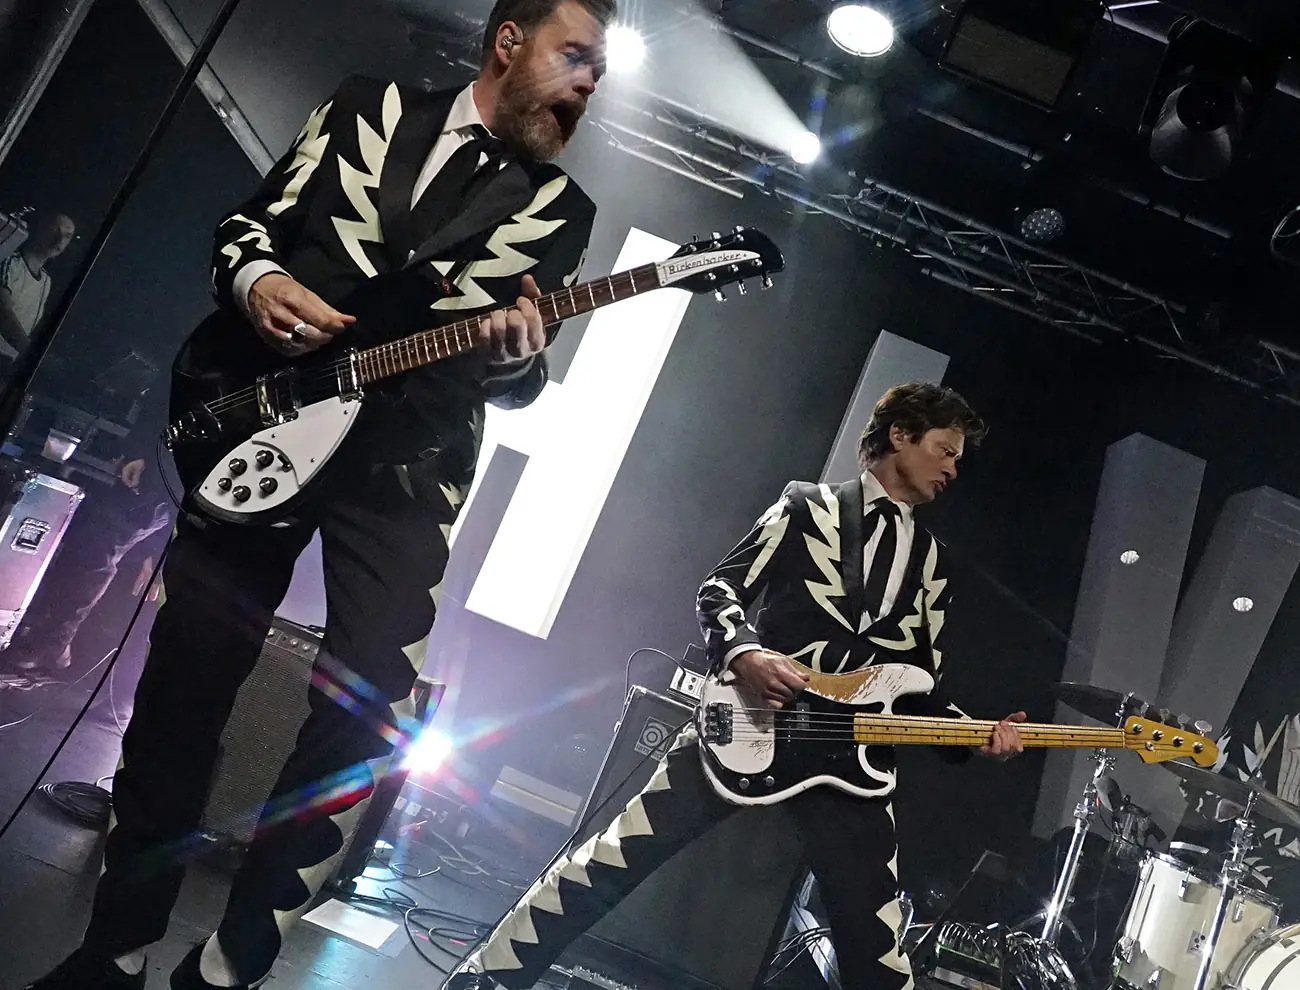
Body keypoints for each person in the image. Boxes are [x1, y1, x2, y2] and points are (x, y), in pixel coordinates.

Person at [18, 1, 611, 988]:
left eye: (598, 68)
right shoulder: (364, 107)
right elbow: (250, 225)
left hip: (404, 468)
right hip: (258, 418)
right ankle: (113, 947)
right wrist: (254, 283)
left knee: (373, 699)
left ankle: (232, 962)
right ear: (508, 42)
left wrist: (519, 360)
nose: (589, 82)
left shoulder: (561, 212)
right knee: (185, 678)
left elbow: (509, 368)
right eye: (575, 56)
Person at [445, 382, 1028, 990]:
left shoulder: (934, 565)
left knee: (875, 945)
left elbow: (920, 688)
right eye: (945, 449)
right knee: (611, 863)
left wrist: (973, 737)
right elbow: (720, 589)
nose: (954, 467)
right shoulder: (806, 506)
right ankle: (484, 979)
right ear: (900, 435)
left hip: (852, 765)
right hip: (749, 725)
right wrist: (744, 653)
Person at [0, 211, 74, 365]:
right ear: (40, 229)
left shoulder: (46, 281)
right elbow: (3, 313)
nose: (59, 239)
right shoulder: (9, 261)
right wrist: (32, 353)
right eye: (55, 230)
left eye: (67, 236)